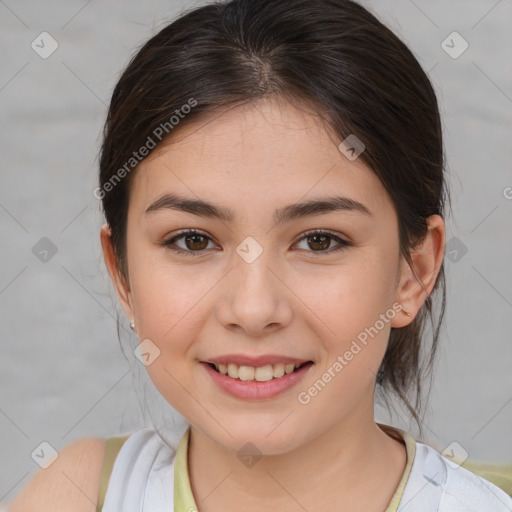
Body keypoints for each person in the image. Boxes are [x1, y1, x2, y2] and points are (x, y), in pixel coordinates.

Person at [8, 0, 512, 510]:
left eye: (319, 240)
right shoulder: (79, 494)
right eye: (193, 240)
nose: (252, 310)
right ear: (123, 274)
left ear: (414, 271)